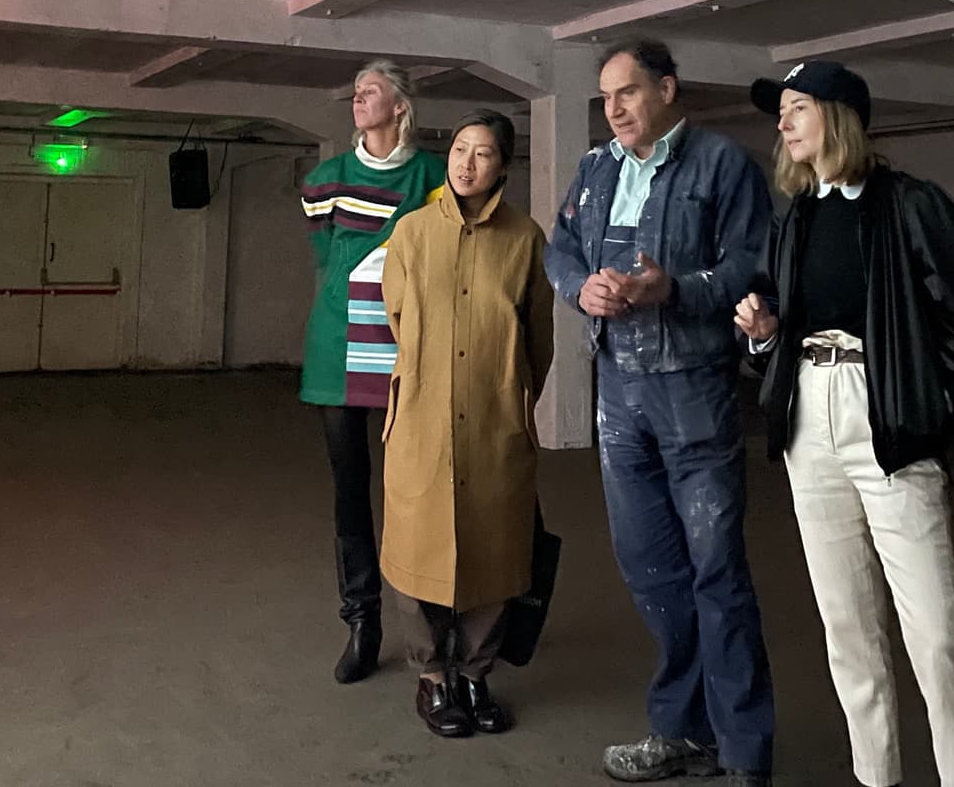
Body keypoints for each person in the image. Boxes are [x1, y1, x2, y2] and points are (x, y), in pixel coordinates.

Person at [735, 60, 954, 787]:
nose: (784, 122)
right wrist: (764, 334)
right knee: (847, 629)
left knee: (938, 638)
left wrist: (918, 394)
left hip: (887, 422)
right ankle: (877, 776)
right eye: (782, 111)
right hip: (811, 419)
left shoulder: (910, 205)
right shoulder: (797, 216)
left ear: (838, 115)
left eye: (797, 107)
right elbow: (787, 320)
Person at [544, 38, 777, 787]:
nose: (613, 109)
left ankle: (743, 753)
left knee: (717, 574)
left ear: (668, 90)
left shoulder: (722, 165)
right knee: (652, 571)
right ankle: (683, 731)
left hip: (695, 393)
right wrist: (581, 288)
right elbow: (561, 248)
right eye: (606, 97)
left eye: (628, 93)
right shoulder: (594, 168)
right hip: (619, 390)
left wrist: (676, 289)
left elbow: (751, 263)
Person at [378, 109, 555, 738]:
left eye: (482, 153)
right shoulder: (412, 233)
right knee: (414, 546)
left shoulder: (526, 239)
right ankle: (432, 679)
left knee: (495, 548)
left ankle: (476, 675)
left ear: (504, 166)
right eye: (459, 149)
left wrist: (508, 393)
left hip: (494, 418)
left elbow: (538, 337)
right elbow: (399, 318)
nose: (466, 163)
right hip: (423, 415)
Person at [299, 60, 448, 684]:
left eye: (370, 91)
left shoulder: (433, 176)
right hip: (338, 347)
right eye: (355, 92)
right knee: (350, 489)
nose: (357, 99)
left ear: (400, 106)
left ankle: (429, 622)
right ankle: (362, 621)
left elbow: (442, 256)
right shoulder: (325, 179)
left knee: (416, 491)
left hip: (406, 349)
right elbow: (324, 255)